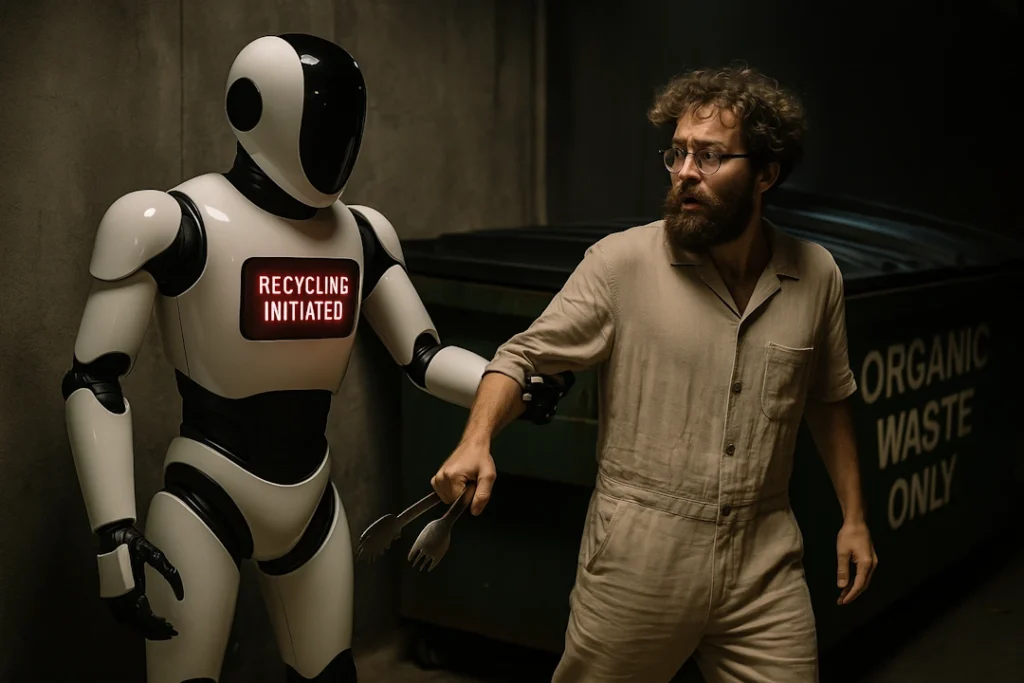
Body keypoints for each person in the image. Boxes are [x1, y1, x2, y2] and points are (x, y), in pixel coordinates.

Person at [430, 65, 878, 683]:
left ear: (766, 173)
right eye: (678, 153)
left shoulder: (816, 274)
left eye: (711, 156)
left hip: (765, 558)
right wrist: (475, 440)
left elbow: (827, 399)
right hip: (640, 554)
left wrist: (853, 517)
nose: (686, 171)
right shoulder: (623, 264)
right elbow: (522, 357)